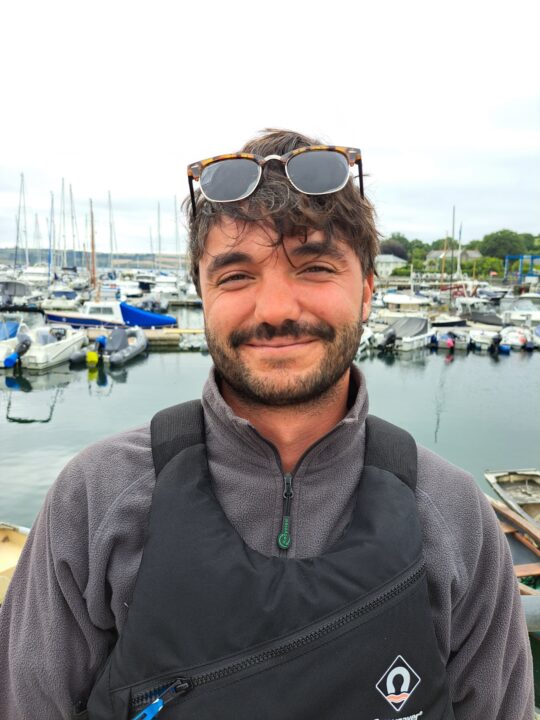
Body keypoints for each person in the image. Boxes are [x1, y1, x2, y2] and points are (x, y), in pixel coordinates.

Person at [0, 129, 533, 720]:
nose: (276, 308)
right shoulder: (98, 499)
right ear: (202, 296)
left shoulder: (454, 516)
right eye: (236, 276)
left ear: (366, 294)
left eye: (314, 267)